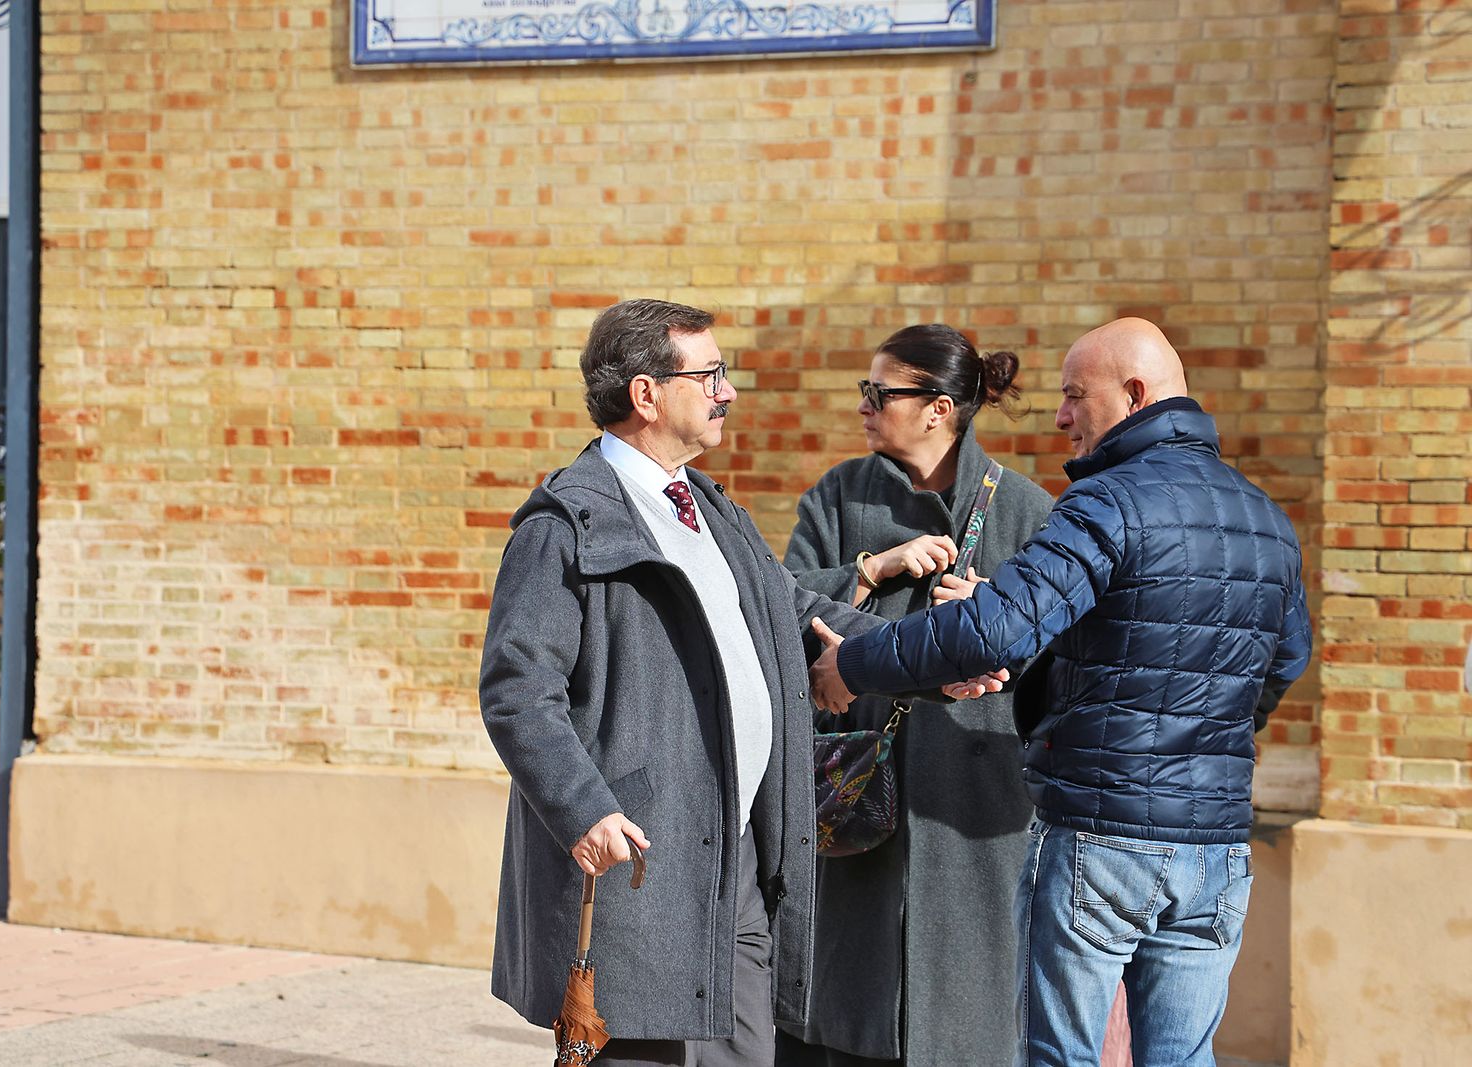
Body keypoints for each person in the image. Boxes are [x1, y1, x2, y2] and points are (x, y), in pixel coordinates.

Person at [809, 318, 1312, 1067]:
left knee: (1060, 1056)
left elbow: (992, 631)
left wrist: (854, 662)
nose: (1060, 415)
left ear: (1134, 394)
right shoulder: (1265, 518)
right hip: (1216, 849)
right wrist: (1203, 745)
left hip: (1100, 834)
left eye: (1076, 394)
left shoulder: (1106, 502)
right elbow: (1283, 663)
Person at [479, 298, 880, 1065]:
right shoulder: (566, 525)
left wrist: (933, 655)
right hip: (640, 877)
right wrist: (584, 809)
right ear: (647, 394)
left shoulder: (711, 513)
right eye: (711, 375)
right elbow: (517, 689)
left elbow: (800, 613)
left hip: (739, 869)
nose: (728, 391)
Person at [774, 324, 1052, 1067]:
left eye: (879, 392)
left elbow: (1064, 660)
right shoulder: (838, 495)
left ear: (938, 408)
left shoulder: (1027, 512)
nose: (863, 406)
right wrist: (869, 570)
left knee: (967, 1032)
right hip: (853, 798)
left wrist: (998, 617)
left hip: (974, 811)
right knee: (847, 1025)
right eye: (863, 390)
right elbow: (780, 606)